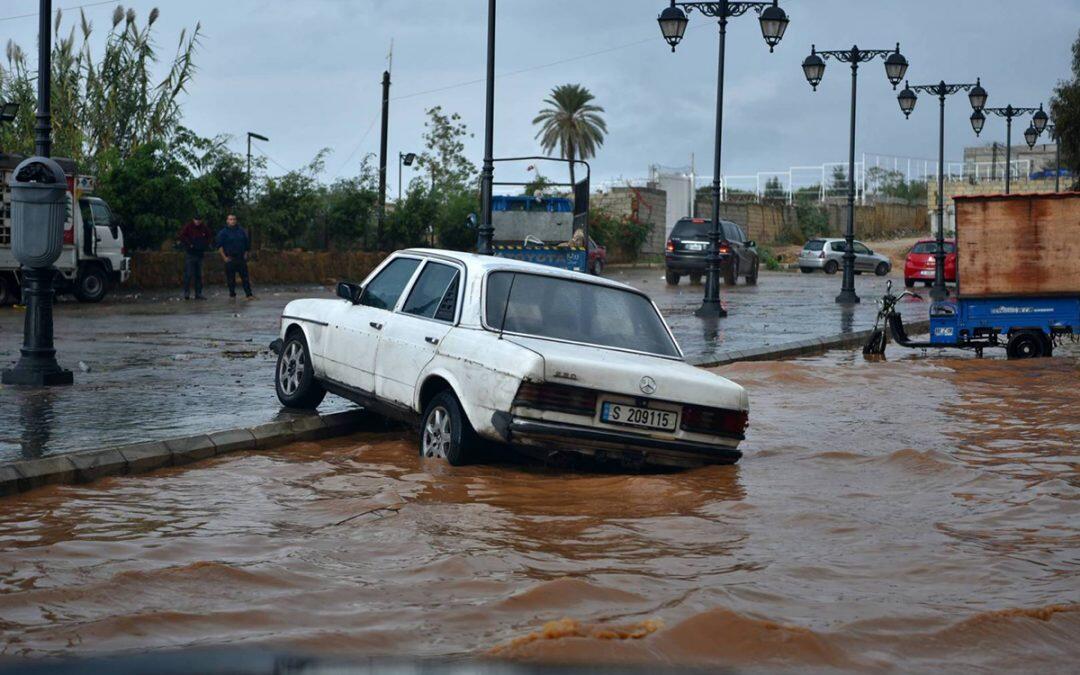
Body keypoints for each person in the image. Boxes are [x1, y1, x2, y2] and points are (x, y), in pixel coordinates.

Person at [216, 214, 254, 299]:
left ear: (236, 220)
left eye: (234, 219)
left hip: (240, 258)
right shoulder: (223, 232)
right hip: (230, 258)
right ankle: (232, 295)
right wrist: (224, 258)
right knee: (230, 279)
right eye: (230, 219)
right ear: (227, 221)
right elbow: (219, 246)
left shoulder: (241, 231)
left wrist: (245, 254)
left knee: (245, 278)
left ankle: (249, 294)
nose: (232, 221)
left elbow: (246, 244)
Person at [178, 215, 213, 300]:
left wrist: (205, 245)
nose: (197, 221)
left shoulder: (204, 228)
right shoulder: (189, 227)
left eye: (199, 220)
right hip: (190, 253)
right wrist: (189, 244)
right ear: (193, 219)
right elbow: (182, 236)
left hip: (200, 254)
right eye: (196, 219)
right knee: (188, 274)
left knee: (199, 274)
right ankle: (186, 292)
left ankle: (198, 293)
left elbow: (209, 237)